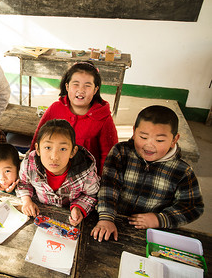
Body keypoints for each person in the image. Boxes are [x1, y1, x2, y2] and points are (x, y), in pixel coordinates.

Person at [91, 105, 204, 242]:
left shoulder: (182, 171)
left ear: (174, 139)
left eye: (160, 140)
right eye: (143, 137)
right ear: (134, 131)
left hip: (150, 233)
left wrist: (160, 219)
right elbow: (108, 187)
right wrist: (106, 217)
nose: (149, 145)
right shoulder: (121, 152)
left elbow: (192, 206)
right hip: (113, 221)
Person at [30, 61, 118, 174]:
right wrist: (32, 168)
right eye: (76, 84)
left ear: (95, 90)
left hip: (86, 180)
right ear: (67, 86)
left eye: (87, 86)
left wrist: (103, 182)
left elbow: (109, 156)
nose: (81, 90)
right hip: (52, 172)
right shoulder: (55, 109)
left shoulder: (103, 118)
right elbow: (38, 138)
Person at [17, 119, 100, 227]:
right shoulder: (29, 164)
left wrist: (79, 208)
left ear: (73, 152)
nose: (54, 157)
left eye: (63, 149)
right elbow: (23, 183)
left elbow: (92, 194)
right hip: (39, 215)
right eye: (47, 147)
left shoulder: (86, 173)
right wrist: (27, 201)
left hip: (68, 220)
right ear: (38, 149)